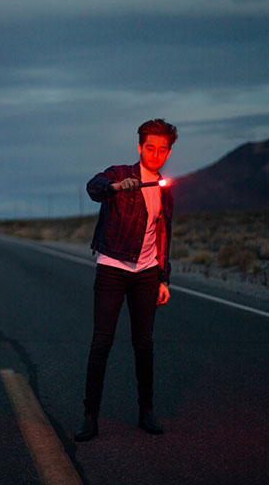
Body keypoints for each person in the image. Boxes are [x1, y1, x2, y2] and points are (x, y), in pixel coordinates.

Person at [75, 118, 177, 441]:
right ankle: (90, 417)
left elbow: (163, 236)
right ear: (139, 148)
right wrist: (115, 187)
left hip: (146, 274)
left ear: (168, 153)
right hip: (112, 268)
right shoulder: (120, 174)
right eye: (150, 148)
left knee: (144, 344)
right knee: (101, 342)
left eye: (162, 150)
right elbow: (94, 187)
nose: (156, 155)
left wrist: (163, 279)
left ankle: (146, 412)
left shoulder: (164, 190)